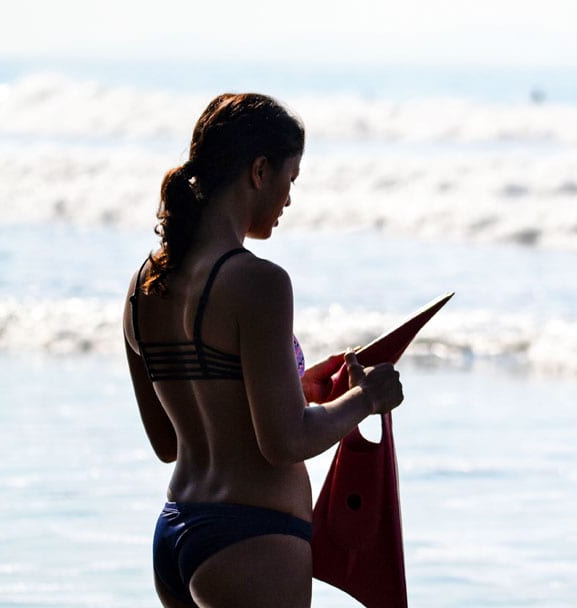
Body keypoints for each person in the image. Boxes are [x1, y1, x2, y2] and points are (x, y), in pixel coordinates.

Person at [122, 93, 404, 608]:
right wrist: (366, 398)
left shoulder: (146, 284)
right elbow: (285, 442)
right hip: (252, 538)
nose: (289, 199)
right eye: (290, 179)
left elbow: (169, 441)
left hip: (177, 532)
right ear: (259, 170)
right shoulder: (260, 282)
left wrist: (300, 393)